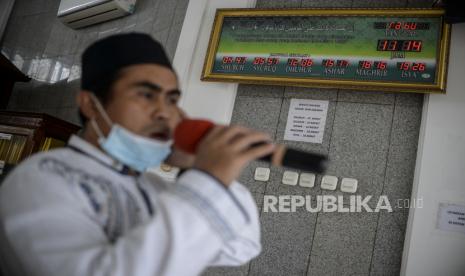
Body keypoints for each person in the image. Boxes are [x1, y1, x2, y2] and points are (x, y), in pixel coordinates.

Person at [0, 33, 275, 276]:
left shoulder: (152, 187)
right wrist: (209, 178)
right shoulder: (42, 179)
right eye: (146, 95)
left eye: (172, 99)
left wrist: (194, 169)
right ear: (90, 105)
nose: (165, 112)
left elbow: (240, 246)